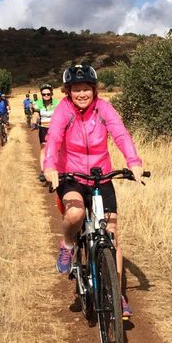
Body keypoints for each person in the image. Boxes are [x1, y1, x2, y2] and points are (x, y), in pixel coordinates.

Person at [42, 64, 144, 319]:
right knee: (75, 214)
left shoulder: (104, 108)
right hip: (71, 175)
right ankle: (67, 244)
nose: (81, 94)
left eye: (86, 88)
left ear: (94, 89)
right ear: (68, 91)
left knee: (112, 233)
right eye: (76, 89)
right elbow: (53, 138)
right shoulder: (63, 110)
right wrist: (50, 166)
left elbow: (120, 134)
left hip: (101, 176)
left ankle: (117, 296)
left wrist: (134, 161)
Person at [33, 83, 61, 181]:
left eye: (48, 94)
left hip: (55, 128)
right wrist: (33, 122)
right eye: (44, 94)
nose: (46, 96)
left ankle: (59, 168)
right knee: (44, 149)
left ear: (51, 94)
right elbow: (36, 114)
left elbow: (61, 115)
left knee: (58, 149)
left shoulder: (57, 103)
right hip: (43, 128)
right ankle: (42, 171)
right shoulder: (39, 103)